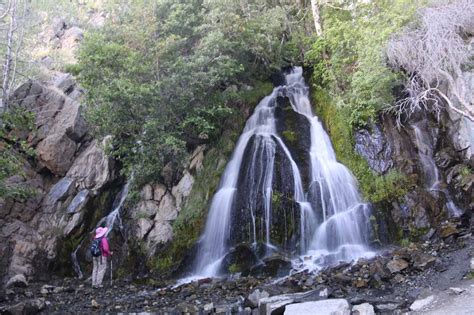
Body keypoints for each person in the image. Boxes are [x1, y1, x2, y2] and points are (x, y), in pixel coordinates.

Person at [91, 222, 112, 288]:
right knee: (101, 269)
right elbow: (105, 249)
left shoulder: (95, 239)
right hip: (102, 256)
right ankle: (98, 284)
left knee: (95, 268)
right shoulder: (103, 239)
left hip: (95, 255)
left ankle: (93, 283)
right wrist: (110, 253)